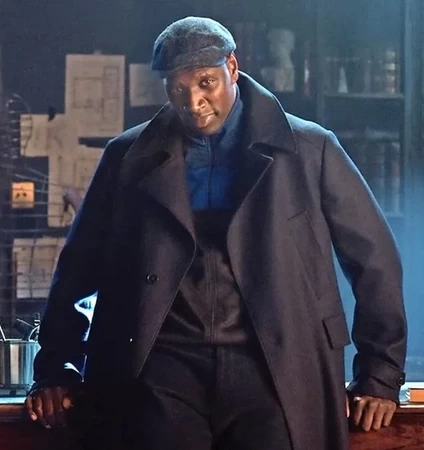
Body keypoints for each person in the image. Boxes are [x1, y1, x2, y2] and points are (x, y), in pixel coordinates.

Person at [25, 16, 407, 450]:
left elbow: (374, 258)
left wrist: (380, 373)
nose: (193, 101)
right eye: (178, 88)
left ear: (233, 68)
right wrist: (56, 368)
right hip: (161, 367)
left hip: (277, 364)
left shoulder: (310, 148)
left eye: (206, 82)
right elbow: (78, 268)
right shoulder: (125, 156)